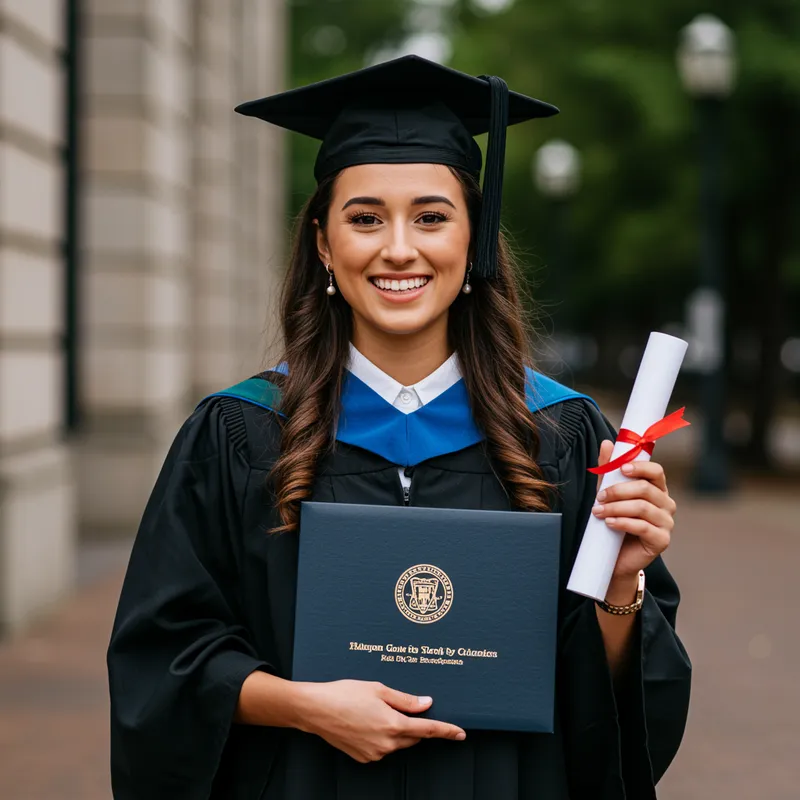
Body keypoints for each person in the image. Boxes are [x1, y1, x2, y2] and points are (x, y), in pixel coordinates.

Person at [107, 55, 691, 799]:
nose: (399, 248)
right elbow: (163, 658)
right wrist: (305, 706)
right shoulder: (241, 434)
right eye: (364, 218)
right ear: (324, 243)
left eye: (431, 216)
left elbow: (610, 709)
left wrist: (620, 581)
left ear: (473, 239)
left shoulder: (560, 435)